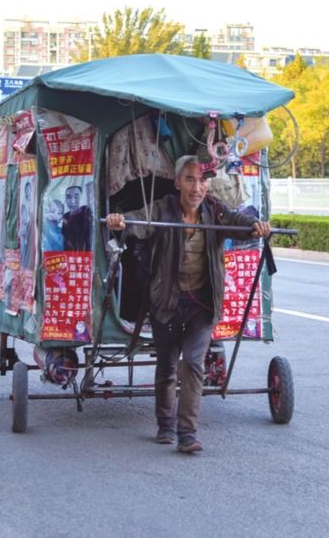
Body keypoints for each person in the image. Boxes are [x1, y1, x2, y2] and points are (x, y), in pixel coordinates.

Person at [106, 155, 270, 454]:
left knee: (193, 364)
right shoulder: (161, 209)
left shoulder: (214, 211)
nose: (197, 188)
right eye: (191, 180)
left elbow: (238, 222)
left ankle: (187, 433)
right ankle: (165, 426)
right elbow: (133, 223)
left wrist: (255, 225)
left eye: (203, 180)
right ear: (178, 182)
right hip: (165, 300)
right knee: (167, 366)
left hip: (202, 303)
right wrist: (119, 222)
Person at [62, 185, 92, 251]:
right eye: (69, 197)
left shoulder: (85, 212)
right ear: (66, 200)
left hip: (85, 256)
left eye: (76, 197)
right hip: (67, 255)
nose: (73, 201)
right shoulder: (64, 217)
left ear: (81, 198)